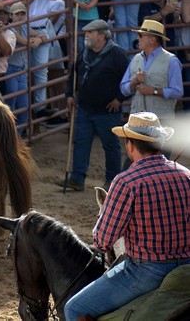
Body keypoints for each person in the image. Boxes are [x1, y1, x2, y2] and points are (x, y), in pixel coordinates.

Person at [64, 112, 190, 321]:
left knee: (73, 309)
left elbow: (103, 242)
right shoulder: (186, 174)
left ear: (130, 145)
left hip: (146, 273)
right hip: (186, 268)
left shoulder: (126, 182)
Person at [63, 20, 130, 191]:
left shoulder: (117, 55)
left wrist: (119, 99)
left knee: (110, 145)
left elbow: (128, 80)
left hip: (107, 110)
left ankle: (112, 180)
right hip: (85, 107)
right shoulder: (84, 53)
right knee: (81, 142)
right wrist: (69, 94)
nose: (86, 35)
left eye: (90, 32)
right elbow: (74, 75)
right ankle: (77, 178)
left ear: (101, 36)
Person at [12, 0, 75, 113]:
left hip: (42, 28)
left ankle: (39, 107)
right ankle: (24, 110)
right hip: (24, 28)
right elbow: (21, 6)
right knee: (23, 71)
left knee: (41, 70)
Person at [119, 19, 182, 120]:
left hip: (161, 121)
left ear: (152, 40)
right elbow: (124, 89)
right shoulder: (135, 59)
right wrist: (134, 82)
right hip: (138, 120)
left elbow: (177, 92)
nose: (138, 38)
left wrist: (154, 91)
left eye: (140, 35)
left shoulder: (171, 61)